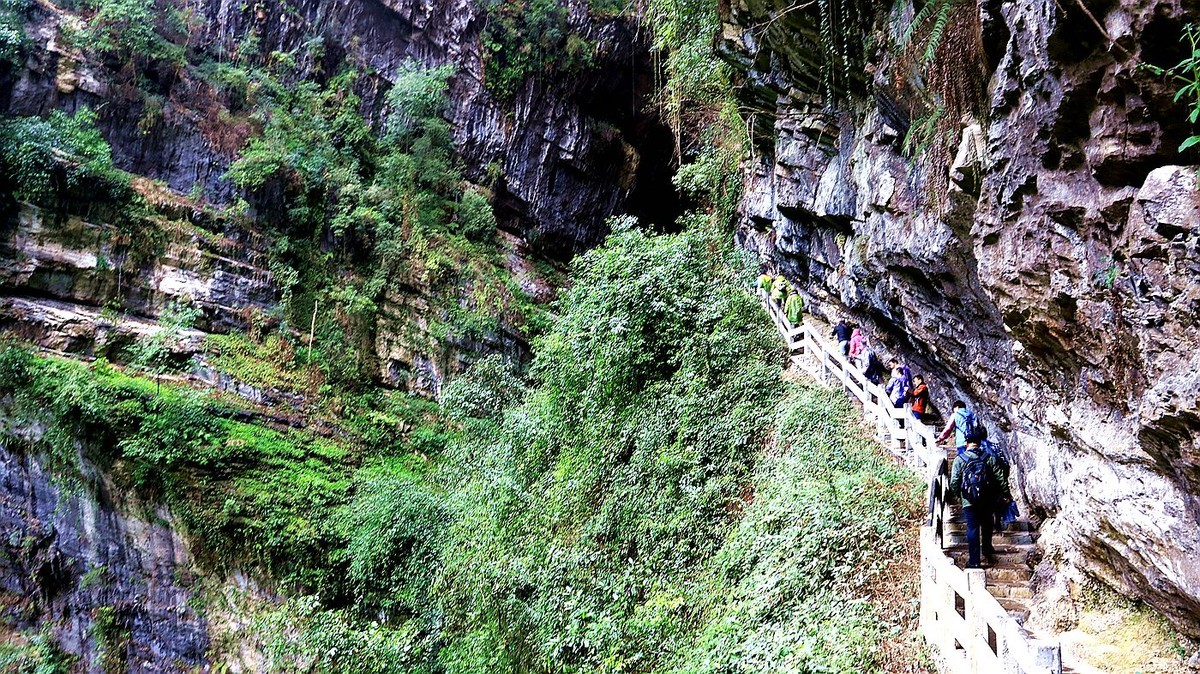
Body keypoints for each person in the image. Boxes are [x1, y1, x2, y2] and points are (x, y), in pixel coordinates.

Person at [950, 433, 1010, 568]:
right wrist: (1005, 494)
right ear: (979, 443)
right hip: (987, 499)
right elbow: (1000, 477)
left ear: (966, 443)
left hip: (969, 501)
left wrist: (960, 497)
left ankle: (975, 561)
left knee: (972, 528)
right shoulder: (988, 457)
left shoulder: (960, 459)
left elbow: (954, 481)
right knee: (987, 524)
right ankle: (987, 548)